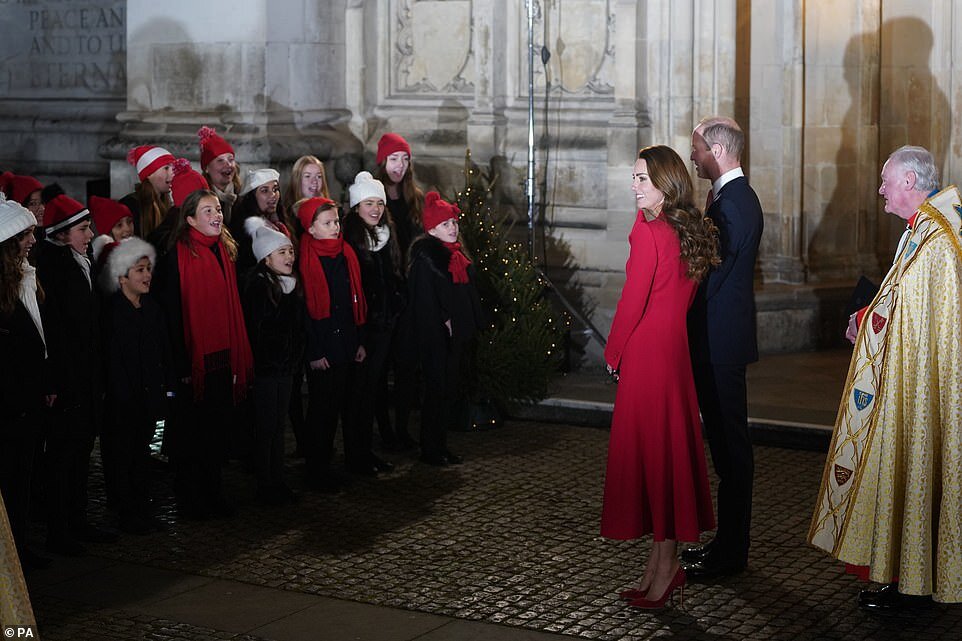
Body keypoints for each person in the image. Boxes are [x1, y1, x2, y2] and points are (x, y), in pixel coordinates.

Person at [810, 146, 962, 611]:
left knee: (917, 465)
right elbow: (901, 299)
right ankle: (907, 574)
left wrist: (870, 319)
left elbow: (918, 313)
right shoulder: (926, 228)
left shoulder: (936, 240)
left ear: (911, 185)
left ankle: (915, 587)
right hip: (913, 373)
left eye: (885, 182)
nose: (880, 191)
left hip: (922, 385)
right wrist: (868, 312)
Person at [602, 145, 719, 609]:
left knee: (653, 460)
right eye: (633, 178)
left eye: (643, 180)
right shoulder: (683, 229)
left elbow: (633, 299)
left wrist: (613, 351)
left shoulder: (652, 233)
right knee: (665, 459)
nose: (634, 186)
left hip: (648, 355)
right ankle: (657, 568)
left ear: (665, 185)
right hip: (673, 355)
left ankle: (665, 569)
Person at [683, 116, 764, 579]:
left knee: (732, 453)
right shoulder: (731, 198)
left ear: (717, 148)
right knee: (727, 450)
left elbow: (714, 274)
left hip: (720, 344)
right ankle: (727, 547)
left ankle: (731, 554)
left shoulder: (732, 204)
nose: (692, 156)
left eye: (696, 148)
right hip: (719, 341)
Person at [154, 189, 254, 519]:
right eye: (208, 210)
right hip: (193, 362)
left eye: (218, 210)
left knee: (216, 431)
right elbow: (171, 313)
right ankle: (190, 496)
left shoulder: (223, 251)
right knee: (191, 434)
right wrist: (181, 362)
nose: (217, 215)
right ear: (191, 218)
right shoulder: (177, 255)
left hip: (222, 357)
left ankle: (213, 492)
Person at [36, 194, 115, 554]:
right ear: (63, 234)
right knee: (63, 455)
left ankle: (78, 519)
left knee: (82, 450)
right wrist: (55, 379)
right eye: (83, 229)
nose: (90, 234)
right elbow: (52, 330)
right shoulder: (52, 268)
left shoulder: (80, 261)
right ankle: (59, 527)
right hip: (68, 378)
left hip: (86, 374)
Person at [98, 237, 173, 534]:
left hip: (150, 399)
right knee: (124, 458)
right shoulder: (112, 315)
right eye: (139, 270)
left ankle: (143, 509)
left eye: (148, 269)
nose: (147, 276)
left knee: (146, 456)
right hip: (124, 404)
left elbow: (163, 352)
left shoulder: (153, 309)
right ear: (121, 277)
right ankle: (127, 511)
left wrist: (166, 389)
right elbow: (113, 364)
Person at [407, 192, 483, 466]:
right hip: (437, 339)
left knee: (447, 391)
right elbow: (424, 301)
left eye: (454, 223)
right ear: (431, 230)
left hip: (456, 337)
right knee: (436, 392)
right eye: (445, 225)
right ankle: (431, 448)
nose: (453, 228)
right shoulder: (428, 259)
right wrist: (443, 321)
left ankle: (441, 444)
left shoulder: (456, 254)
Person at [296, 196, 367, 487]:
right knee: (320, 410)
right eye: (327, 223)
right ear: (311, 229)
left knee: (336, 407)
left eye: (336, 221)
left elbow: (354, 302)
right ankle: (316, 469)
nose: (335, 227)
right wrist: (314, 351)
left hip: (345, 343)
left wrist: (358, 341)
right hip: (322, 348)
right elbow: (305, 312)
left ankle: (326, 466)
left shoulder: (345, 253)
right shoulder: (305, 260)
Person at [0, 194, 53, 570]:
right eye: (26, 234)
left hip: (27, 399)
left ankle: (20, 545)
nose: (34, 240)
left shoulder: (26, 277)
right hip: (9, 402)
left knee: (24, 478)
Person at [343, 171, 405, 470]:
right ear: (357, 207)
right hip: (363, 328)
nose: (375, 209)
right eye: (369, 203)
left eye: (379, 203)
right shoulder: (352, 239)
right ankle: (356, 453)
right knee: (359, 393)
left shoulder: (386, 234)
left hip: (385, 325)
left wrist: (396, 305)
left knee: (373, 389)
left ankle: (366, 450)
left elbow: (393, 276)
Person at [241, 222, 305, 504]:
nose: (290, 256)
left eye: (290, 251)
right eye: (282, 252)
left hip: (287, 368)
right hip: (267, 369)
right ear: (266, 258)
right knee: (267, 426)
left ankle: (277, 480)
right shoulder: (259, 287)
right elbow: (260, 330)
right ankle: (265, 484)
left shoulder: (292, 285)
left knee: (279, 426)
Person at [230, 168, 292, 274]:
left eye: (275, 189)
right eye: (264, 190)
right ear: (252, 197)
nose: (273, 195)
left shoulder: (280, 220)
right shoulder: (246, 231)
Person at [120, 145, 175, 238]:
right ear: (149, 174)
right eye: (166, 168)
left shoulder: (167, 203)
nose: (173, 173)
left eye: (173, 168)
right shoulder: (130, 204)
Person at [197, 126, 240, 224]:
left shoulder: (243, 195)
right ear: (207, 168)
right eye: (220, 160)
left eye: (231, 159)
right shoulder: (199, 201)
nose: (228, 164)